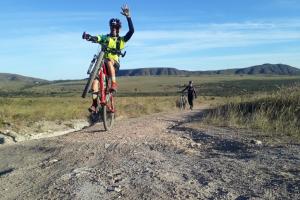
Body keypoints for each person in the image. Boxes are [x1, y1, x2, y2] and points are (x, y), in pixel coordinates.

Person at [82, 5, 134, 112]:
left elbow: (131, 31)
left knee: (109, 60)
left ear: (118, 29)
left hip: (114, 65)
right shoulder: (106, 38)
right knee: (94, 82)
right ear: (110, 28)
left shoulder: (122, 40)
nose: (114, 29)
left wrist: (128, 17)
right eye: (112, 27)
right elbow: (97, 38)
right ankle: (95, 104)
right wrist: (89, 37)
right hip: (102, 65)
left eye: (116, 28)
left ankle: (114, 83)